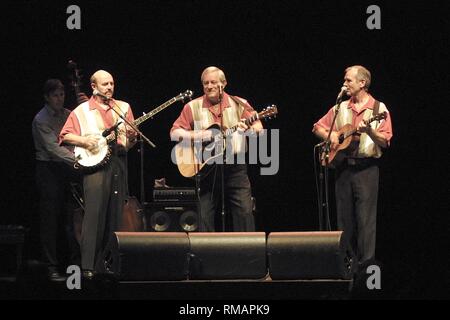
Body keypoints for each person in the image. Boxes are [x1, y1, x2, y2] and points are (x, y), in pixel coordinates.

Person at [312, 65, 393, 271]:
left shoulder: (378, 109)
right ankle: (347, 266)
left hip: (366, 169)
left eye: (349, 80)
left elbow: (385, 142)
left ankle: (366, 269)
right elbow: (317, 127)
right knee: (344, 219)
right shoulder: (340, 107)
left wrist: (370, 132)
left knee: (366, 221)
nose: (344, 84)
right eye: (345, 80)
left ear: (362, 83)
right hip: (343, 168)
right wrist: (330, 136)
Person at [60, 70, 137, 279]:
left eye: (112, 83)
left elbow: (130, 141)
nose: (110, 87)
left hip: (118, 162)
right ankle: (87, 267)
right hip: (94, 165)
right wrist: (84, 141)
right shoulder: (81, 110)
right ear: (93, 87)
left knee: (116, 213)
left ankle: (110, 264)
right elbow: (65, 136)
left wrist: (130, 139)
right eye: (105, 84)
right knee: (94, 214)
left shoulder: (124, 107)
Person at [171, 66, 263, 232]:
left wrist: (247, 130)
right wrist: (199, 135)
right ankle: (206, 255)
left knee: (245, 212)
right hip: (206, 170)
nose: (209, 86)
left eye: (213, 82)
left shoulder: (239, 103)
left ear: (224, 83)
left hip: (235, 168)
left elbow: (259, 129)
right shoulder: (192, 106)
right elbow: (174, 133)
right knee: (204, 216)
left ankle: (247, 253)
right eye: (205, 83)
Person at [31, 79, 87, 281]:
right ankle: (50, 266)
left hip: (67, 168)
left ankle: (75, 267)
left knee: (72, 218)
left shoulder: (67, 114)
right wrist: (78, 160)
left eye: (62, 94)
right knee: (50, 220)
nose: (60, 98)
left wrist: (85, 106)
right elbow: (53, 149)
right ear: (47, 97)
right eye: (55, 95)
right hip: (48, 170)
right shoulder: (41, 119)